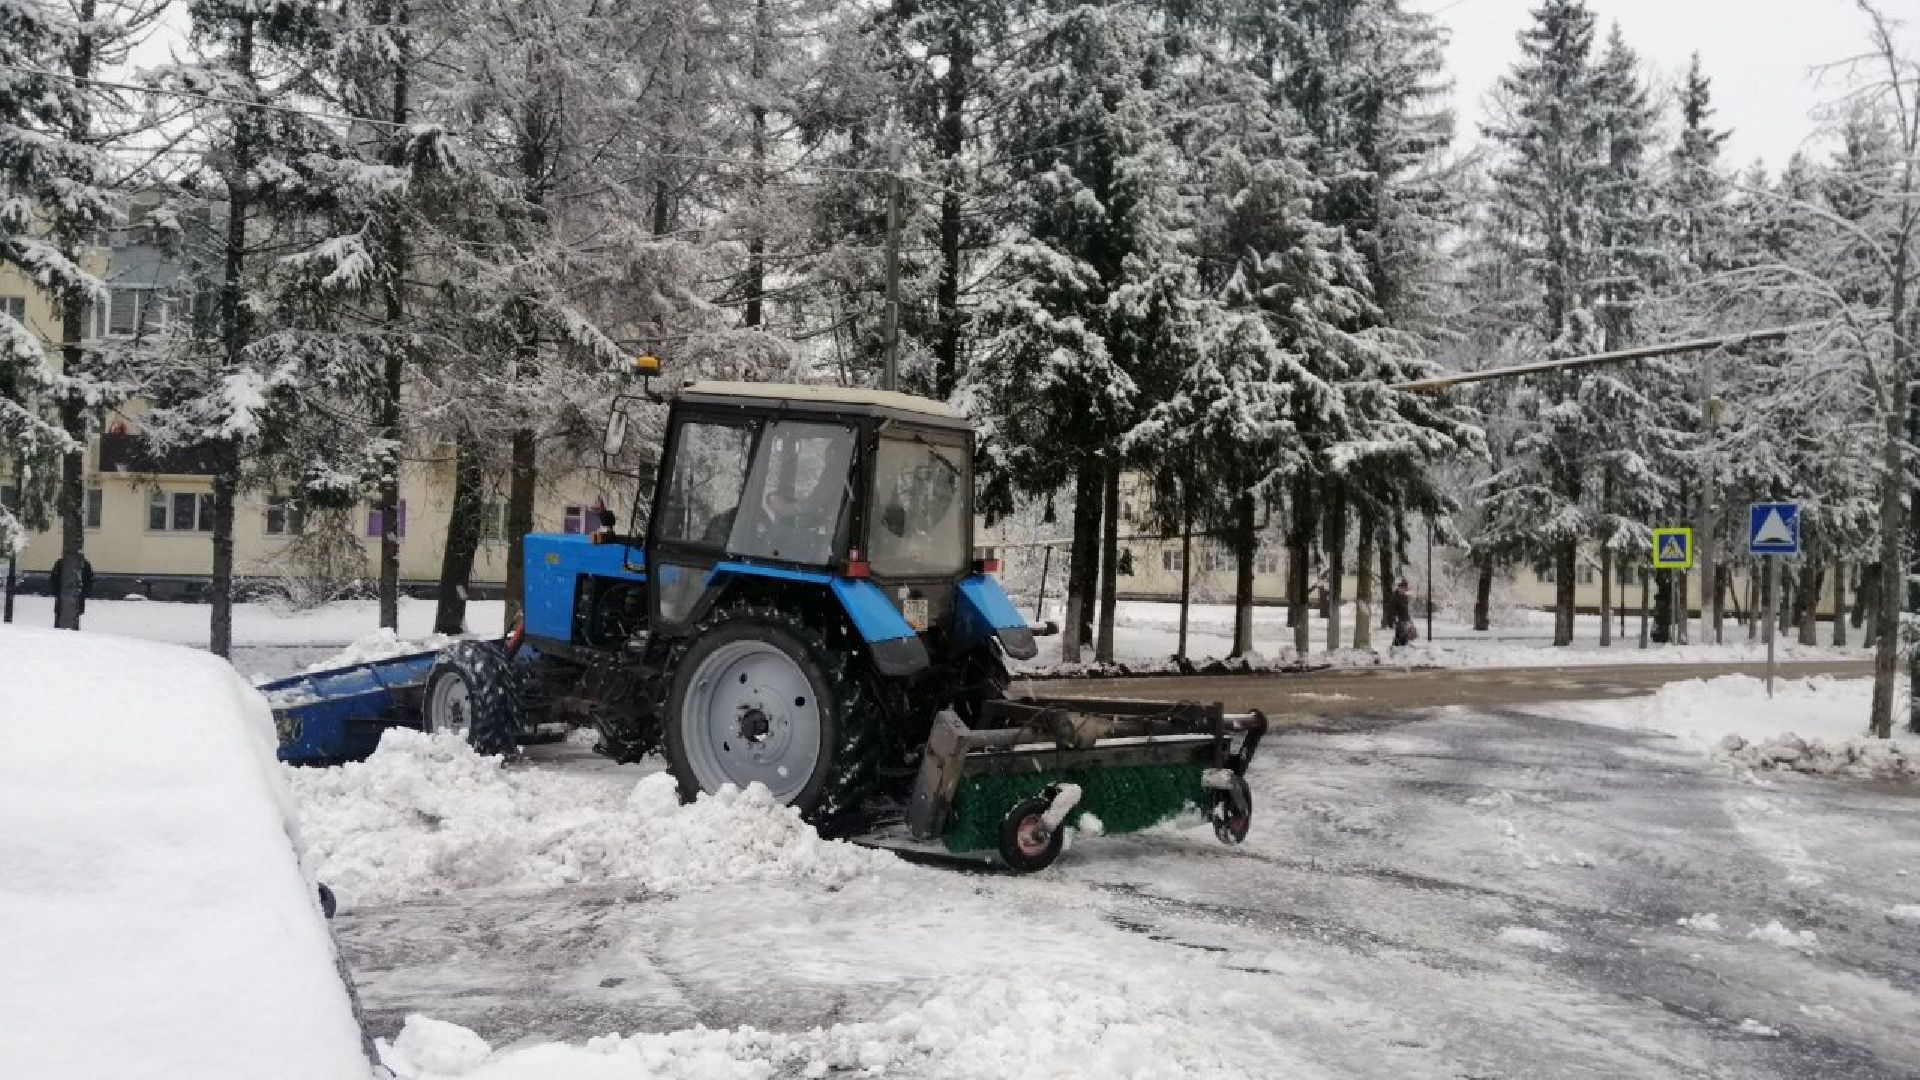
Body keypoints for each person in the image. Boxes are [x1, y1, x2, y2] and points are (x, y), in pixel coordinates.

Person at [49, 553, 94, 620]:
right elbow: (89, 581)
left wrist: (56, 592)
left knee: (69, 616)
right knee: (72, 617)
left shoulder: (61, 563)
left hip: (66, 596)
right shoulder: (84, 564)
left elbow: (54, 579)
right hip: (70, 596)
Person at [1389, 579, 1415, 646]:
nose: (1404, 590)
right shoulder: (1395, 597)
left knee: (1404, 635)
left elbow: (1406, 609)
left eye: (1405, 588)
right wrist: (1395, 617)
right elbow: (1392, 608)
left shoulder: (1405, 597)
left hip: (1405, 619)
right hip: (1399, 619)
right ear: (1399, 588)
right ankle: (1397, 647)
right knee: (1400, 635)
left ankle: (1400, 647)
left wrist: (1410, 620)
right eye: (1403, 588)